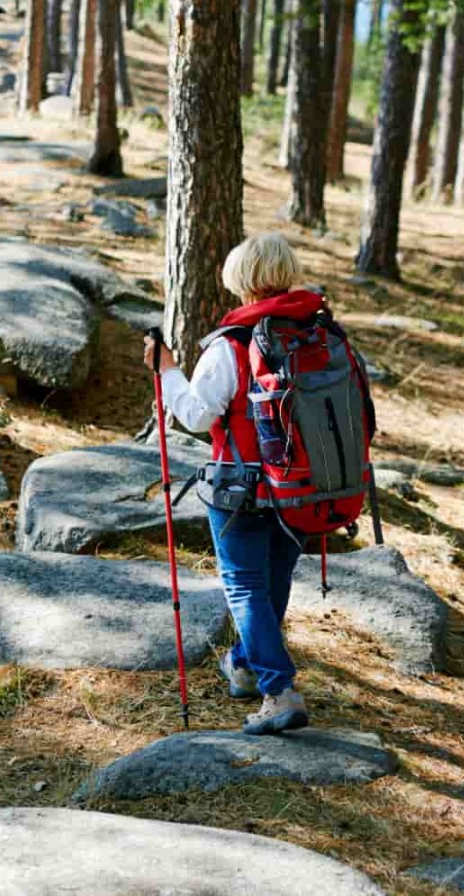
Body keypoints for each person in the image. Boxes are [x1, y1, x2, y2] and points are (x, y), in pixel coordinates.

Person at [145, 231, 342, 736]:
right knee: (272, 581)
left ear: (240, 280)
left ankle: (278, 690)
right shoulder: (319, 335)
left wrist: (166, 371)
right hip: (304, 487)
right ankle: (245, 663)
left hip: (242, 487)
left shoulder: (233, 345)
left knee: (245, 584)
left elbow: (193, 415)